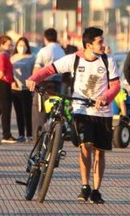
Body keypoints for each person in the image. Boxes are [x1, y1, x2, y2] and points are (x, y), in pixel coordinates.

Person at [27, 27, 121, 204]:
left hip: (103, 113)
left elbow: (116, 86)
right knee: (85, 147)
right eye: (100, 42)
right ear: (88, 45)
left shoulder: (108, 61)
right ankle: (85, 186)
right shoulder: (74, 59)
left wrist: (106, 98)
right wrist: (34, 78)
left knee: (100, 153)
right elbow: (49, 70)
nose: (104, 45)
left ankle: (96, 190)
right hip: (81, 110)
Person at [32, 28, 65, 141]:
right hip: (57, 84)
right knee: (54, 109)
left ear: (45, 38)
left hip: (43, 84)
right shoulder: (61, 51)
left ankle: (38, 136)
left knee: (39, 110)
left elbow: (37, 68)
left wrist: (33, 80)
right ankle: (53, 136)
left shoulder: (44, 51)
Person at [10, 37, 35, 141]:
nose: (22, 47)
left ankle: (29, 134)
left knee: (27, 112)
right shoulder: (13, 58)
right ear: (16, 46)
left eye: (24, 45)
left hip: (27, 89)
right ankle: (21, 134)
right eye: (20, 45)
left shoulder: (32, 57)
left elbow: (34, 72)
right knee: (18, 112)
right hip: (15, 89)